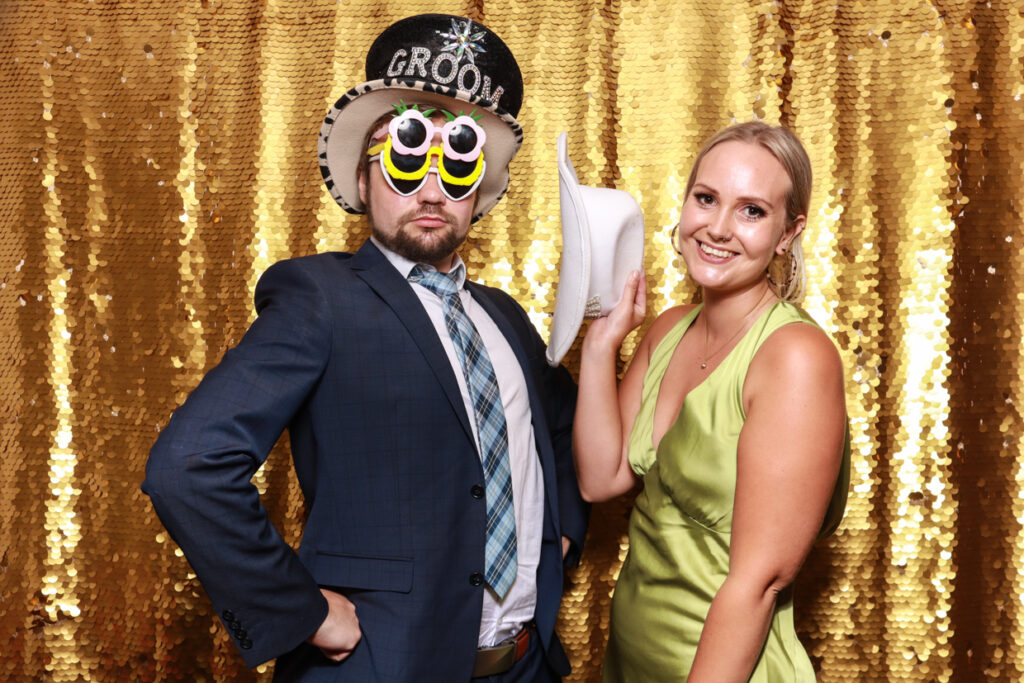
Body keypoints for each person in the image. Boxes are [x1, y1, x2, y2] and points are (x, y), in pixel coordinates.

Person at [142, 14, 588, 682]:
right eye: (407, 160)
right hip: (383, 667)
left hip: (525, 666)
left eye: (457, 167)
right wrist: (303, 610)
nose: (432, 190)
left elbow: (563, 431)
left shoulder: (505, 317)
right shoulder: (320, 298)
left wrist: (562, 532)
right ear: (362, 175)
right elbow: (189, 464)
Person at [573, 121, 851, 681]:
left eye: (751, 211)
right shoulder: (670, 327)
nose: (718, 228)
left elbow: (760, 582)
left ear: (787, 233)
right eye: (706, 199)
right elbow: (601, 479)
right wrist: (602, 343)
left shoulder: (795, 356)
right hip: (632, 656)